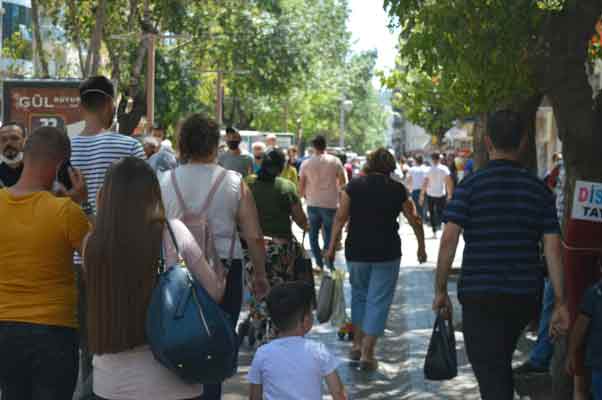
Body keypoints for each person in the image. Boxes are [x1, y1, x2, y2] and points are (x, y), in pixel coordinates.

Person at [433, 110, 570, 400]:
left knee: (491, 370)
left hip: (479, 293)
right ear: (523, 142)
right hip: (523, 295)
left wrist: (440, 289)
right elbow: (553, 247)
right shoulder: (538, 190)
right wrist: (560, 301)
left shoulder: (470, 186)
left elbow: (448, 240)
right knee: (497, 364)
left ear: (487, 141)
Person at [85, 157, 225, 400]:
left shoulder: (93, 243)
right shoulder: (173, 232)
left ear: (106, 196)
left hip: (111, 384)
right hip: (175, 382)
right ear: (153, 193)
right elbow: (214, 291)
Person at [160, 114, 269, 400]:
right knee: (216, 343)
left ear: (183, 143)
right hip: (225, 272)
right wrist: (260, 275)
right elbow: (254, 236)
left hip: (175, 274)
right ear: (215, 145)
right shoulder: (233, 182)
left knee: (176, 337)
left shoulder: (165, 181)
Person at [0, 127, 89, 400]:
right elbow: (100, 260)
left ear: (25, 156)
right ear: (61, 165)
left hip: (5, 328)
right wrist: (82, 204)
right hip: (54, 331)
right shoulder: (66, 212)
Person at [70, 75, 146, 397]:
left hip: (73, 258)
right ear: (109, 104)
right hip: (117, 258)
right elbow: (144, 202)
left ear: (81, 104)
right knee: (113, 342)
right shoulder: (129, 146)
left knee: (84, 346)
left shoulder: (65, 146)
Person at [325, 148, 427, 371]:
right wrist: (421, 247)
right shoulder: (397, 189)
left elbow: (340, 219)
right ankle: (368, 352)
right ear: (390, 166)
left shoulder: (353, 187)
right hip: (386, 252)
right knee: (378, 300)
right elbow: (415, 219)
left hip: (357, 251)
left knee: (360, 296)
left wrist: (331, 247)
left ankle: (357, 344)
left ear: (369, 164)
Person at [248, 282, 346, 400]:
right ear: (305, 321)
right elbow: (338, 393)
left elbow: (254, 397)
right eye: (311, 312)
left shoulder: (262, 354)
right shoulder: (318, 351)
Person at [247, 148, 309, 283]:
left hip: (249, 248)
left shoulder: (248, 183)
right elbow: (300, 220)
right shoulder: (286, 187)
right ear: (281, 167)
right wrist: (307, 226)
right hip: (279, 249)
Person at [299, 135, 347, 272]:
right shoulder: (335, 161)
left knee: (313, 234)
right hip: (330, 203)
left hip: (312, 203)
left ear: (313, 147)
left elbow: (301, 186)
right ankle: (329, 263)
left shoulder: (306, 164)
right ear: (325, 146)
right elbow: (343, 183)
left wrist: (301, 199)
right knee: (329, 234)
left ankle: (319, 263)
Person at [567, 275, 602, 400]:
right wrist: (571, 353)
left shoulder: (594, 293)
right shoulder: (594, 293)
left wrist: (571, 353)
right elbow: (580, 327)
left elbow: (580, 327)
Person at [420, 152, 454, 238]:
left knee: (431, 212)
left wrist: (422, 195)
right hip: (441, 193)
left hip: (430, 193)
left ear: (432, 159)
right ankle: (441, 226)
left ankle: (434, 231)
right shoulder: (444, 169)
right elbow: (448, 182)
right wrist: (450, 194)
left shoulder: (428, 170)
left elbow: (425, 183)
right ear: (439, 159)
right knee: (441, 211)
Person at [0, 122, 26, 188]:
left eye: (14, 138)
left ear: (24, 141)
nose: (8, 143)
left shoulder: (36, 170)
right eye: (3, 139)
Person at [407, 155, 429, 221]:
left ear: (415, 161)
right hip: (425, 190)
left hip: (415, 190)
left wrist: (409, 189)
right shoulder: (426, 169)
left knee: (417, 207)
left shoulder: (412, 169)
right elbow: (427, 181)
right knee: (424, 207)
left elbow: (409, 180)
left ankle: (419, 220)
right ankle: (424, 219)